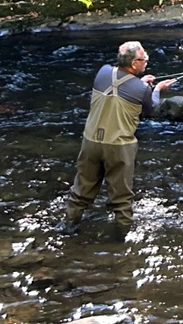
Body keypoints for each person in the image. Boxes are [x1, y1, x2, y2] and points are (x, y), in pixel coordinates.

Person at [70, 40, 174, 212]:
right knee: (121, 201)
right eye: (144, 59)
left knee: (80, 195)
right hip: (118, 147)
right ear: (134, 64)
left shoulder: (103, 72)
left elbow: (121, 84)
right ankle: (119, 238)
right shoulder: (142, 90)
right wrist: (156, 90)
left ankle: (69, 230)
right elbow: (150, 109)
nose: (146, 62)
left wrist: (140, 83)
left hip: (90, 142)